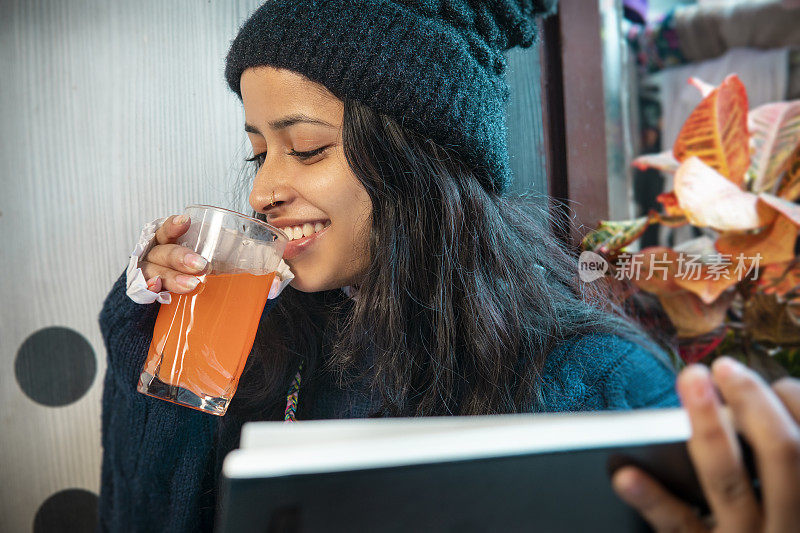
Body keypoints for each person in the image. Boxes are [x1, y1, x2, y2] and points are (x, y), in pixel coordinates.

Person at [96, 1, 800, 531]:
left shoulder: (601, 385)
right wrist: (156, 324)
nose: (260, 190)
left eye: (306, 148)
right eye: (258, 152)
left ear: (421, 159)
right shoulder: (269, 344)